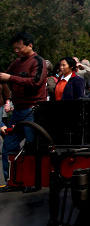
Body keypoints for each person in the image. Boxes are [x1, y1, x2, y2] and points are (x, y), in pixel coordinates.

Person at [0, 32, 47, 186]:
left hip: (32, 110)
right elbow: (5, 75)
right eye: (14, 49)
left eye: (19, 48)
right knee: (8, 146)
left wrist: (10, 78)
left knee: (32, 147)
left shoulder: (38, 62)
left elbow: (35, 82)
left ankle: (32, 181)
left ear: (30, 45)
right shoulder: (17, 62)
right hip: (18, 110)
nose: (16, 51)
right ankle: (11, 181)